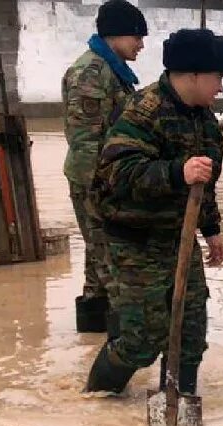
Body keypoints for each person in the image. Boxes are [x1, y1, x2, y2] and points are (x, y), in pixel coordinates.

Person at [84, 28, 223, 395]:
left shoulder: (203, 118)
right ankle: (97, 399)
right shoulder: (143, 111)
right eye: (218, 77)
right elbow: (117, 173)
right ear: (193, 75)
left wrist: (211, 229)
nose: (221, 86)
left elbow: (205, 181)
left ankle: (179, 405)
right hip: (133, 239)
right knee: (142, 340)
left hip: (177, 237)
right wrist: (175, 172)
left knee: (190, 331)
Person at [64, 0, 147, 334]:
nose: (141, 44)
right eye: (137, 37)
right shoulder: (92, 73)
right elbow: (86, 140)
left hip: (104, 178)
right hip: (94, 181)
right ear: (116, 34)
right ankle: (121, 341)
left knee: (97, 254)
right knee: (110, 255)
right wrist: (103, 190)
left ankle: (93, 332)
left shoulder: (112, 71)